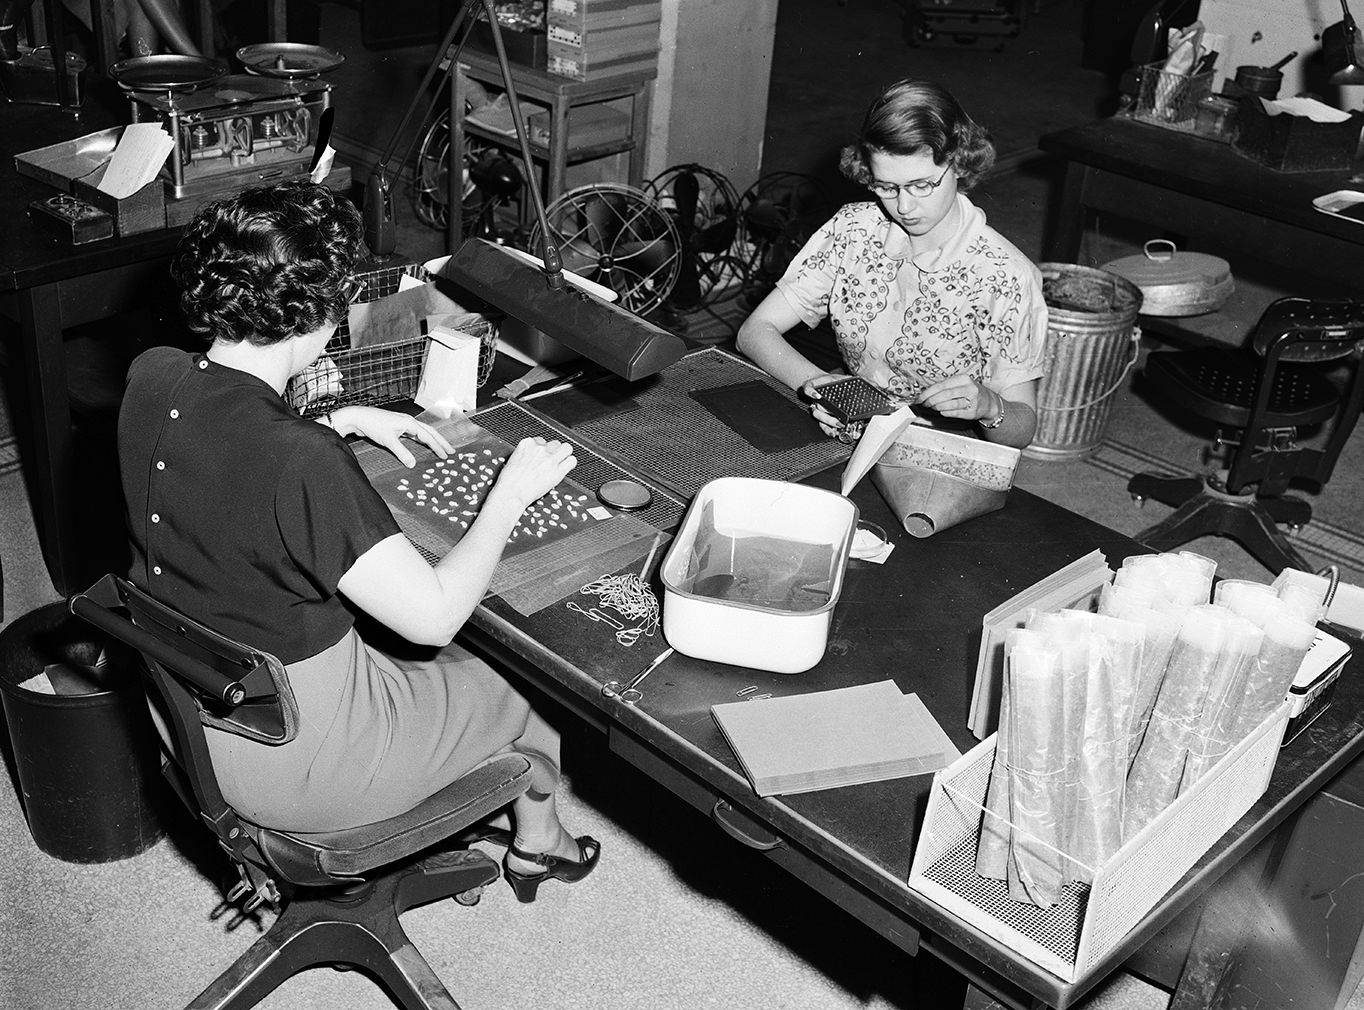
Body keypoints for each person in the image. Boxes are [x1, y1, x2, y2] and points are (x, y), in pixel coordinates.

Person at [117, 180, 597, 903]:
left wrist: (338, 419)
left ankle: (476, 805)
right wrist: (507, 497)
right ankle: (539, 842)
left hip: (194, 720)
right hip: (309, 767)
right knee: (534, 682)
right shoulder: (301, 463)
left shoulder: (151, 375)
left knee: (434, 664)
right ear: (324, 311)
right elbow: (433, 616)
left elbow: (225, 438)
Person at [737, 78, 1048, 450]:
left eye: (921, 185)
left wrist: (988, 405)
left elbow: (1021, 429)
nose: (903, 207)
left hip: (944, 449)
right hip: (851, 424)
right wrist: (822, 384)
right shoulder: (854, 228)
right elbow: (754, 331)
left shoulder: (1004, 274)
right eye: (886, 186)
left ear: (960, 163)